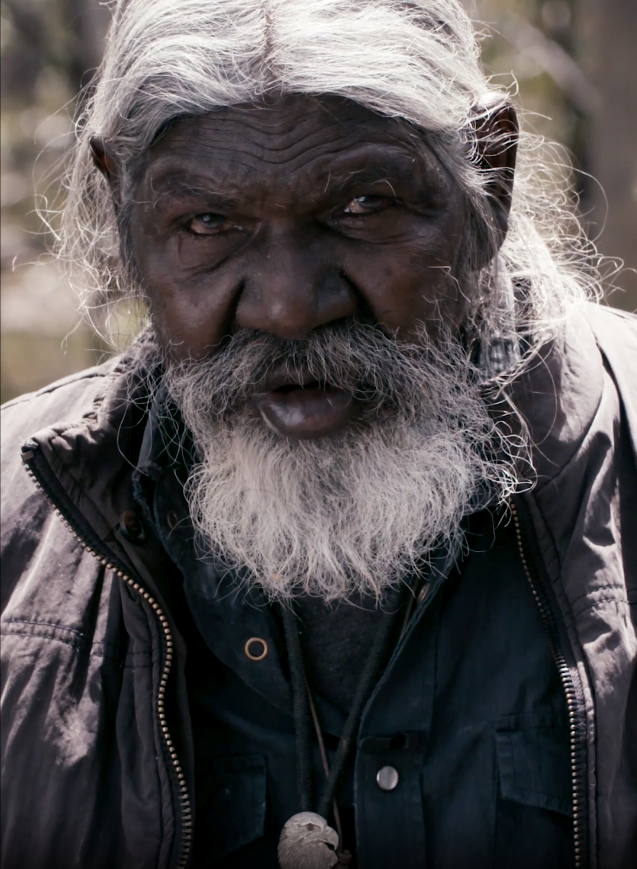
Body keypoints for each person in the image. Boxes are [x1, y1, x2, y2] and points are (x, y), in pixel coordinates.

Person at [1, 1, 636, 867]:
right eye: (208, 224)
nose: (289, 306)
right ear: (123, 209)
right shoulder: (15, 521)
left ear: (487, 175)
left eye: (364, 205)